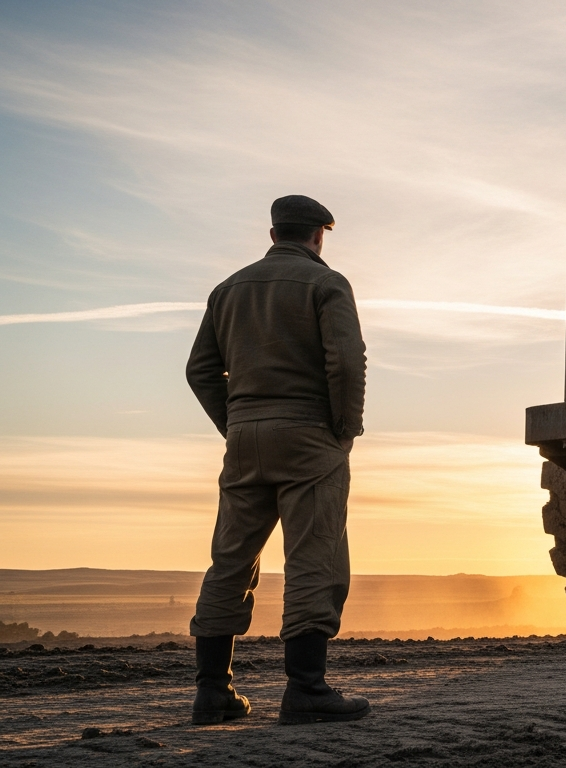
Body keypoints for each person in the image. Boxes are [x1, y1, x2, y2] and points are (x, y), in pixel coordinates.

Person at [185, 195, 370, 725]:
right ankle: (306, 689)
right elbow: (346, 361)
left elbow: (200, 370)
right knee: (316, 558)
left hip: (244, 438)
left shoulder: (227, 290)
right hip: (311, 435)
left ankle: (212, 694)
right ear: (318, 236)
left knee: (230, 560)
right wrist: (345, 430)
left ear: (273, 235)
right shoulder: (327, 284)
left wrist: (236, 424)